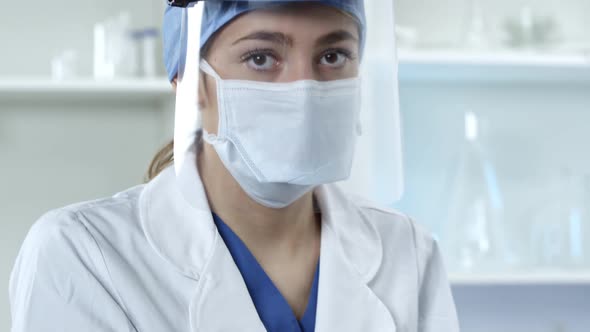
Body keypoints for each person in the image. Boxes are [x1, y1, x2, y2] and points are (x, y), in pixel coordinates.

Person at [9, 1, 459, 331]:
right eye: (261, 58)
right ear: (191, 83)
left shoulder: (409, 253)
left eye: (332, 56)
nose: (303, 89)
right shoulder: (82, 256)